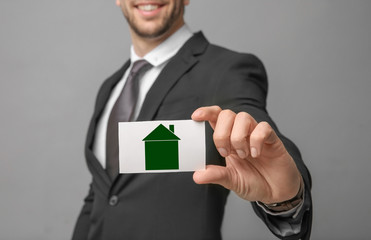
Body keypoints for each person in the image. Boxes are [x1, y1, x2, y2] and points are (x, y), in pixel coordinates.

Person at [72, 0, 312, 239]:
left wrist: (287, 196)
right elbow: (102, 192)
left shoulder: (227, 70)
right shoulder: (110, 87)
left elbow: (251, 119)